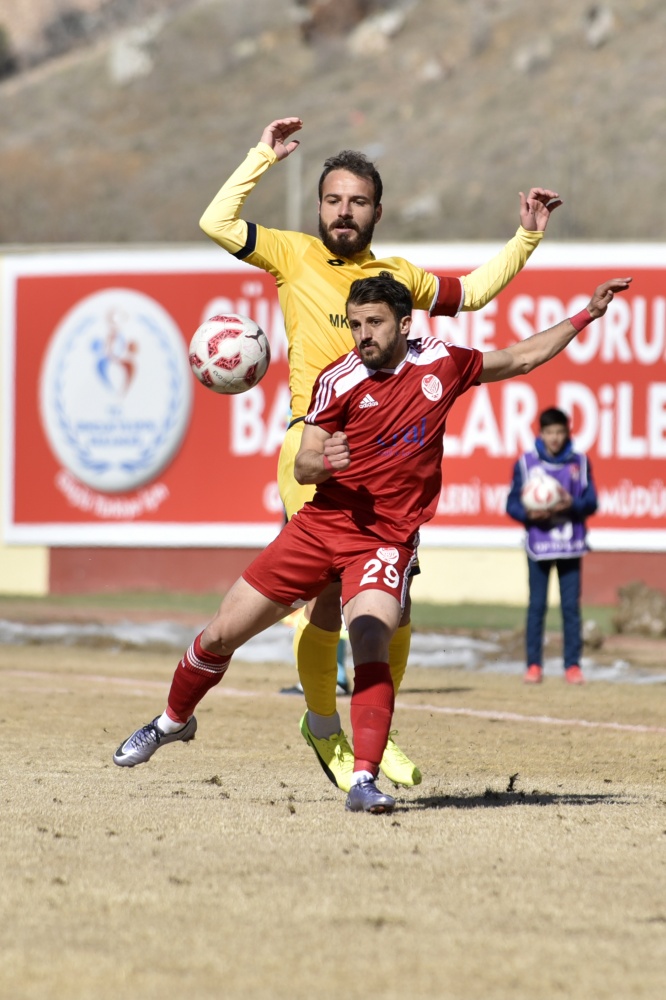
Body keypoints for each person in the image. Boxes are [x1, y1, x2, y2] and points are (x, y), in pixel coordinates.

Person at [113, 272, 631, 813]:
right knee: (220, 633)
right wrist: (321, 461)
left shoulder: (443, 364)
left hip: (385, 540)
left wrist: (586, 315)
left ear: (405, 323)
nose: (363, 334)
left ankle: (362, 781)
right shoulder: (338, 379)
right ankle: (171, 722)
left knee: (368, 643)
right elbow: (308, 458)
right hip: (320, 526)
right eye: (356, 323)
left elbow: (520, 357)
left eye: (375, 323)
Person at [198, 115, 562, 794]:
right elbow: (217, 222)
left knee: (394, 607)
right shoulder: (292, 254)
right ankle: (323, 723)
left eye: (357, 201)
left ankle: (371, 727)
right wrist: (261, 157)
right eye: (333, 200)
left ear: (376, 211)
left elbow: (475, 292)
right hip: (315, 445)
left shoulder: (396, 281)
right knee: (329, 593)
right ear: (319, 208)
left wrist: (527, 238)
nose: (343, 211)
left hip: (388, 464)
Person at [506, 407, 599, 685]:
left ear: (567, 432)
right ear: (541, 433)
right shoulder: (526, 463)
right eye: (550, 432)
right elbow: (511, 504)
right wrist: (528, 514)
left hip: (571, 543)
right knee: (537, 606)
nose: (555, 438)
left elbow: (592, 501)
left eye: (560, 432)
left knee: (571, 607)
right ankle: (534, 665)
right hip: (538, 543)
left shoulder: (579, 463)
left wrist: (574, 504)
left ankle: (572, 666)